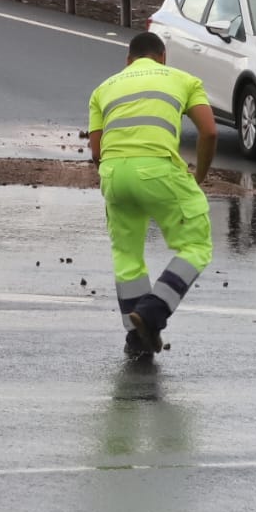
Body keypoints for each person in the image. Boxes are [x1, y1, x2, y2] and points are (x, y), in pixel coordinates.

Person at [87, 32, 217, 359]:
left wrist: (118, 171)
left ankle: (137, 340)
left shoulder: (104, 88)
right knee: (197, 245)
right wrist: (198, 177)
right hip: (158, 170)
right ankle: (153, 312)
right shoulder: (184, 79)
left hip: (114, 174)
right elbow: (210, 131)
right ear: (163, 58)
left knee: (127, 255)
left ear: (128, 61)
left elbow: (96, 150)